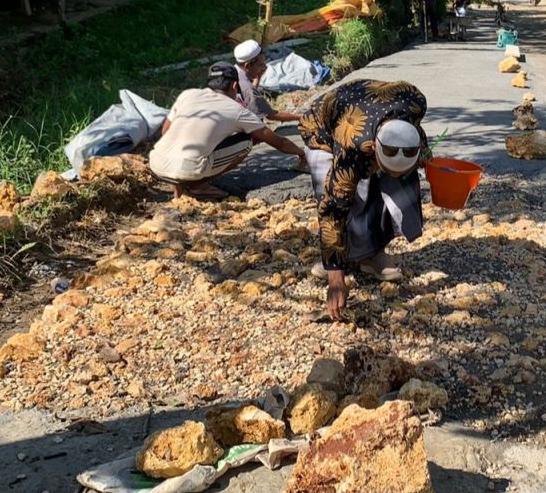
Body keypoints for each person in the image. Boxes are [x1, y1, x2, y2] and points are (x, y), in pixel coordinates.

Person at [298, 79, 429, 321]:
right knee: (351, 194)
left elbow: (418, 138)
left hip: (369, 106)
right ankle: (340, 259)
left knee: (391, 185)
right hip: (323, 130)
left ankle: (370, 253)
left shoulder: (416, 104)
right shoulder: (353, 145)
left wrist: (433, 165)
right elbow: (332, 209)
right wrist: (335, 279)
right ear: (372, 148)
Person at [149, 63, 307, 200]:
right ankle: (198, 186)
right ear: (234, 86)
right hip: (186, 170)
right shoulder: (237, 110)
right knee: (246, 142)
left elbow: (166, 131)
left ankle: (178, 187)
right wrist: (302, 154)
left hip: (157, 163)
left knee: (184, 143)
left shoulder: (188, 95)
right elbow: (278, 142)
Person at [232, 40, 302, 123]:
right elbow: (271, 115)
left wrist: (258, 78)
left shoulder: (235, 70)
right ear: (247, 65)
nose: (265, 67)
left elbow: (247, 95)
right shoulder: (248, 89)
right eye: (261, 64)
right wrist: (300, 116)